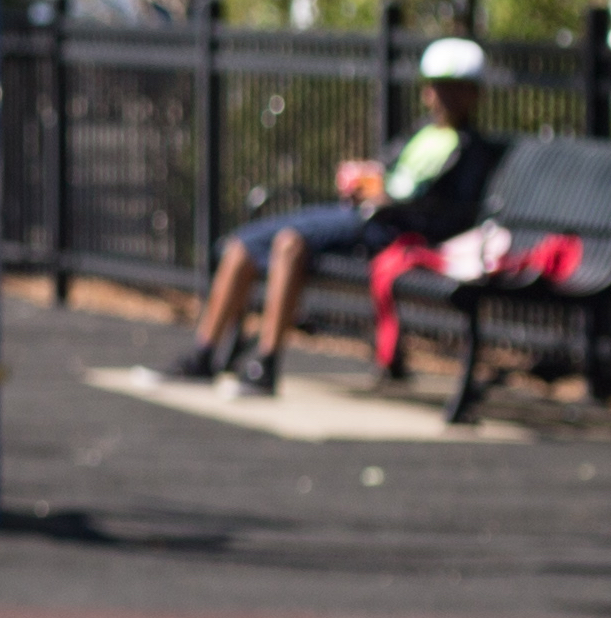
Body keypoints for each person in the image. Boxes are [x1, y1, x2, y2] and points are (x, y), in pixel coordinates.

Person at [168, 36, 497, 393]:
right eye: (436, 87)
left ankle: (265, 364)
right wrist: (365, 177)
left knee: (289, 244)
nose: (440, 96)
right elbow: (389, 171)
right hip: (359, 215)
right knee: (239, 247)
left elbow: (448, 215)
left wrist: (388, 199)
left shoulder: (472, 149)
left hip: (389, 228)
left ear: (472, 94)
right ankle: (203, 354)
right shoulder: (419, 132)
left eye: (452, 88)